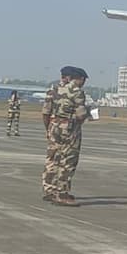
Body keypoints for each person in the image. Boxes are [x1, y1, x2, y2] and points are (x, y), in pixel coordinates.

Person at [41, 66, 90, 206]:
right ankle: (62, 194)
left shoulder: (54, 90)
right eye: (83, 80)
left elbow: (45, 113)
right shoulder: (77, 92)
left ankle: (49, 190)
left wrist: (48, 129)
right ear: (79, 79)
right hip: (69, 128)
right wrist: (86, 114)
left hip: (54, 126)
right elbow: (80, 115)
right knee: (68, 161)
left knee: (52, 158)